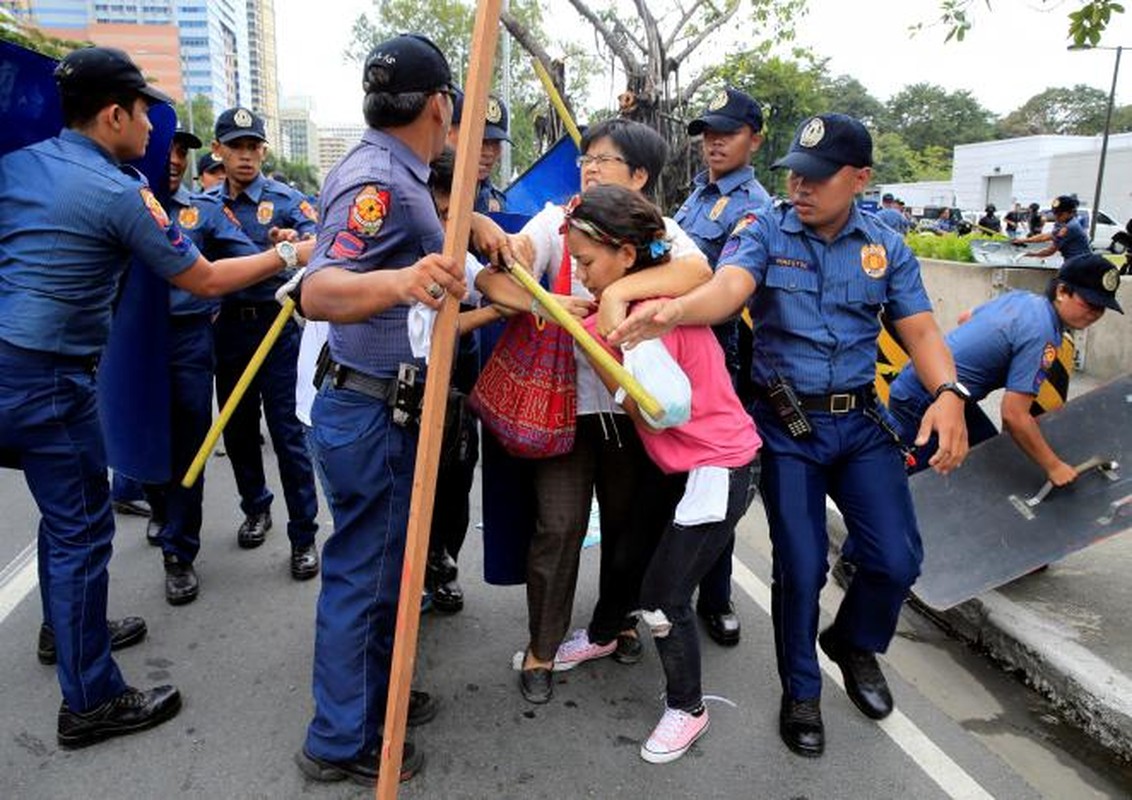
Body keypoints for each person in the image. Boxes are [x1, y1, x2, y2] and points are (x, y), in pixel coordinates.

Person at [609, 113, 968, 758]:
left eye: (818, 177)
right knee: (800, 567)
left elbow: (919, 331)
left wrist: (948, 394)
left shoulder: (886, 246)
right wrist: (676, 313)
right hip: (786, 426)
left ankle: (853, 642)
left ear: (859, 179)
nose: (801, 187)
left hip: (860, 424)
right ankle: (801, 690)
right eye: (795, 175)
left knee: (896, 559)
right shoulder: (764, 227)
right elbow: (729, 288)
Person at [0, 46, 312, 748]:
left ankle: (64, 627)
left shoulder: (16, 166)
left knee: (63, 512)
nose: (154, 128)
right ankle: (91, 699)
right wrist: (290, 256)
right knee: (83, 528)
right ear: (113, 114)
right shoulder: (120, 191)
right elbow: (200, 279)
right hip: (52, 378)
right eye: (144, 112)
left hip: (12, 363)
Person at [293, 34, 467, 786]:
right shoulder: (379, 180)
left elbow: (424, 244)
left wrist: (478, 230)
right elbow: (319, 290)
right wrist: (400, 287)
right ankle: (340, 739)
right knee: (364, 577)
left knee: (385, 571)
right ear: (440, 105)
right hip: (370, 411)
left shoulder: (404, 174)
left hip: (382, 408)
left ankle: (372, 697)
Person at [507, 117, 712, 705]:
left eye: (605, 160)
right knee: (559, 527)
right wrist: (524, 263)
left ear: (640, 177)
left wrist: (618, 294)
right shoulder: (556, 221)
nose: (590, 169)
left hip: (634, 415)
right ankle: (542, 650)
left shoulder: (663, 232)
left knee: (629, 531)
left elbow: (699, 274)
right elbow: (517, 262)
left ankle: (615, 621)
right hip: (566, 409)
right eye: (586, 159)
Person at [567, 184, 762, 764]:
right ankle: (603, 635)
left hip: (718, 467)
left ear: (626, 255)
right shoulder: (631, 304)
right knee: (626, 553)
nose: (579, 275)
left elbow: (660, 410)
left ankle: (688, 708)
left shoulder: (650, 315)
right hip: (676, 462)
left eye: (586, 262)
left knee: (662, 597)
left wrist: (601, 343)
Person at [147, 125, 263, 605]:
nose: (175, 158)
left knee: (187, 447)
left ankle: (179, 553)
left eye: (181, 151)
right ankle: (160, 509)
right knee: (140, 448)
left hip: (187, 340)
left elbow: (246, 260)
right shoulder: (116, 198)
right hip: (128, 343)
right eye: (167, 148)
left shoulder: (205, 211)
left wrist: (288, 250)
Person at [673, 85, 770, 647]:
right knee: (675, 479)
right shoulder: (697, 195)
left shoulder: (752, 207)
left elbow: (722, 289)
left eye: (727, 134)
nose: (714, 143)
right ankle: (672, 586)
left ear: (754, 140)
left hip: (714, 360)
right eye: (708, 134)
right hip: (671, 353)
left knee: (715, 479)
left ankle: (717, 596)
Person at [206, 106, 321, 580]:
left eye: (254, 146)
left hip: (277, 329)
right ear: (219, 151)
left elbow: (323, 237)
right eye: (236, 146)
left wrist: (293, 238)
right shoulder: (204, 205)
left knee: (288, 434)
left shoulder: (286, 198)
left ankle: (303, 535)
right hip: (228, 328)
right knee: (237, 429)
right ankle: (255, 506)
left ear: (264, 151)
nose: (246, 155)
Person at [887, 252, 1122, 481]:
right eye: (1089, 303)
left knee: (988, 451)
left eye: (1102, 307)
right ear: (1062, 291)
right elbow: (1013, 415)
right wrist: (1054, 466)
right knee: (923, 485)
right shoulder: (1042, 333)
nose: (1095, 313)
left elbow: (965, 318)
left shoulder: (1024, 300)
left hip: (946, 391)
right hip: (923, 399)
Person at [448, 88, 508, 213]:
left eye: (496, 142)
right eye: (480, 140)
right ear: (448, 133)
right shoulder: (423, 190)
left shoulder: (497, 202)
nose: (489, 152)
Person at [1014, 194, 1091, 262]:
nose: (1056, 217)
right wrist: (1023, 240)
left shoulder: (1070, 227)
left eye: (1060, 214)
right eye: (1055, 213)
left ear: (1071, 212)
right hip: (1071, 260)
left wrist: (1030, 254)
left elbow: (1051, 250)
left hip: (1080, 262)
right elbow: (1047, 236)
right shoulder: (1061, 222)